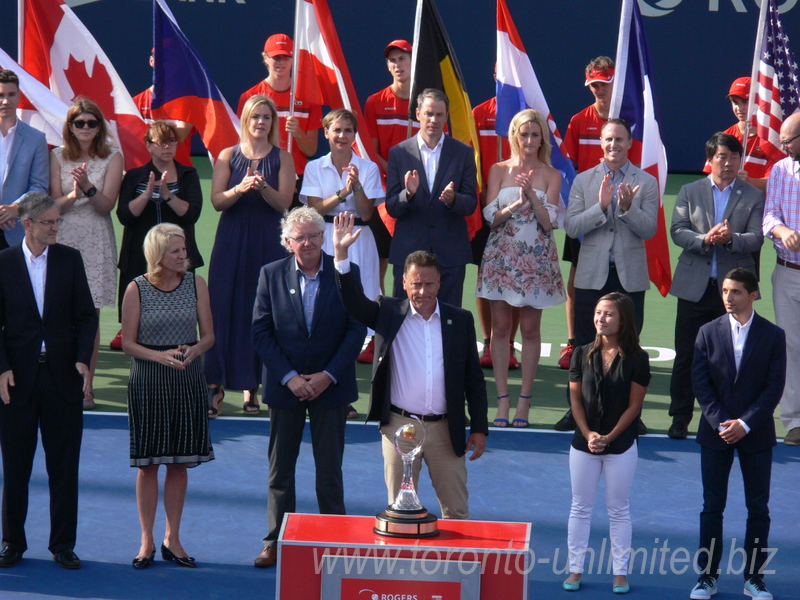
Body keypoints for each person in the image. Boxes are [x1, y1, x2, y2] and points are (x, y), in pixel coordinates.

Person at [333, 212, 488, 520]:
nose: (423, 291)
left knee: (456, 510)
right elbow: (353, 302)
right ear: (404, 282)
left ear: (440, 282)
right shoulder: (387, 312)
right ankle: (404, 567)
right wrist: (341, 256)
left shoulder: (460, 320)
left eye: (430, 283)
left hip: (446, 429)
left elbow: (474, 378)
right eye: (416, 283)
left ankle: (457, 568)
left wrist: (480, 428)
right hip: (398, 428)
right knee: (401, 512)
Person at [251, 207, 365, 568]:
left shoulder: (346, 272)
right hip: (287, 388)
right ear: (288, 243)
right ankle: (276, 541)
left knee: (329, 471)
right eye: (300, 237)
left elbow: (356, 330)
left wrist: (327, 375)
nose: (308, 242)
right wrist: (291, 377)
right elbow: (261, 332)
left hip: (331, 388)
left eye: (314, 235)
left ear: (323, 237)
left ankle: (336, 540)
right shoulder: (270, 275)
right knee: (279, 472)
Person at [0, 193, 98, 569]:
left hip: (62, 379)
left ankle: (62, 545)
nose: (56, 227)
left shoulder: (70, 260)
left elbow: (87, 318)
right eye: (49, 223)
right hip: (17, 381)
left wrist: (80, 360)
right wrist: (2, 367)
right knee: (16, 467)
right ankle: (12, 542)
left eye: (58, 222)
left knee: (63, 466)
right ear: (28, 225)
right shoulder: (4, 264)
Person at [121, 223, 214, 570]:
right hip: (148, 378)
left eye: (183, 248)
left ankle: (172, 539)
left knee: (178, 461)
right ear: (158, 255)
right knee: (148, 466)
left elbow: (208, 335)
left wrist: (194, 350)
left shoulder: (196, 283)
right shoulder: (137, 288)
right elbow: (128, 342)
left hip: (186, 377)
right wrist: (159, 356)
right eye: (176, 250)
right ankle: (146, 540)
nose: (183, 254)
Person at [689, 268, 785, 600]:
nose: (728, 297)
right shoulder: (706, 332)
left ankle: (755, 579)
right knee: (712, 506)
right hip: (716, 434)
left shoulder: (773, 335)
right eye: (726, 291)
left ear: (753, 295)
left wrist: (744, 424)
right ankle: (706, 577)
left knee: (758, 507)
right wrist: (721, 423)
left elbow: (774, 387)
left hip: (755, 434)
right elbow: (701, 384)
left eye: (736, 292)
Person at [557, 118, 657, 433]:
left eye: (619, 140)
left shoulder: (647, 182)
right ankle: (578, 413)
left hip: (629, 278)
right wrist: (600, 208)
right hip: (591, 277)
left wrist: (627, 208)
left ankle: (629, 416)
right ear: (601, 142)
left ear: (630, 143)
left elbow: (649, 229)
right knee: (586, 348)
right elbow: (571, 227)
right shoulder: (584, 181)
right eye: (608, 140)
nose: (613, 145)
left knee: (628, 348)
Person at [667, 133, 764, 440]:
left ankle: (723, 420)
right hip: (695, 285)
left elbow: (757, 237)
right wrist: (704, 239)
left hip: (733, 290)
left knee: (730, 357)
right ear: (710, 160)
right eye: (722, 157)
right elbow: (678, 230)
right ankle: (680, 417)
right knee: (686, 355)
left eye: (734, 157)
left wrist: (732, 239)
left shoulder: (752, 195)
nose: (728, 163)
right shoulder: (689, 190)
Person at [205, 95, 294, 415]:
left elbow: (284, 203)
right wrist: (241, 188)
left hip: (268, 242)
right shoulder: (227, 155)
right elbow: (217, 201)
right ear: (245, 120)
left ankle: (251, 388)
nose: (260, 122)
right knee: (222, 307)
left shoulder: (283, 158)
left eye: (266, 118)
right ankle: (213, 385)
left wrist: (262, 188)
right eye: (255, 117)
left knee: (261, 312)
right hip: (231, 241)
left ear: (273, 123)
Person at [476, 109, 565, 428]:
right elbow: (490, 218)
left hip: (536, 261)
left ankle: (524, 405)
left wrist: (532, 197)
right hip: (501, 258)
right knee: (499, 330)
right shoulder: (498, 169)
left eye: (535, 134)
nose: (529, 140)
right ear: (514, 136)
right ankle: (502, 403)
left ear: (543, 138)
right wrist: (514, 205)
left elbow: (550, 221)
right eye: (523, 134)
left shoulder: (552, 175)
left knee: (529, 330)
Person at [563, 293, 650, 594]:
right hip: (583, 444)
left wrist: (609, 437)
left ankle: (620, 573)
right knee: (580, 507)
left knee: (618, 509)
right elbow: (575, 398)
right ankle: (575, 570)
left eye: (609, 314)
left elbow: (634, 406)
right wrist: (588, 434)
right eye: (598, 313)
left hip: (621, 446)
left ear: (623, 319)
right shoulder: (581, 353)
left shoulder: (638, 359)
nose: (601, 318)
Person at [300, 108, 384, 416]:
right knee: (323, 312)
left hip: (359, 240)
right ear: (326, 133)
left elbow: (366, 213)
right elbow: (315, 209)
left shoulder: (368, 168)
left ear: (354, 135)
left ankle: (346, 393)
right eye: (337, 130)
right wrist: (343, 191)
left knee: (356, 312)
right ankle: (318, 387)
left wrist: (357, 187)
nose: (342, 136)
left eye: (348, 130)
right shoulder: (314, 168)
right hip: (323, 238)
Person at [49, 98, 123, 410]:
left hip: (96, 239)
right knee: (58, 314)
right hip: (63, 237)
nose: (86, 128)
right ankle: (58, 381)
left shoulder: (113, 157)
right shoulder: (56, 156)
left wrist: (89, 188)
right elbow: (52, 205)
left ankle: (86, 386)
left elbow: (107, 206)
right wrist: (73, 193)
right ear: (70, 126)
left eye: (91, 123)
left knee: (89, 315)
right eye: (80, 123)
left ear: (99, 127)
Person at [115, 121, 204, 366]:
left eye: (172, 142)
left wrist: (167, 195)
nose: (168, 147)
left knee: (179, 317)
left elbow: (191, 214)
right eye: (162, 143)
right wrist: (146, 194)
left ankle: (179, 362)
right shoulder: (134, 176)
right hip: (139, 258)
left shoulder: (188, 175)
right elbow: (125, 216)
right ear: (148, 146)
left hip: (177, 260)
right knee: (139, 321)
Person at [559, 57, 628, 371]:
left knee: (620, 278)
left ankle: (622, 343)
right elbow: (568, 170)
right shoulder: (578, 121)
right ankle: (574, 341)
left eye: (604, 83)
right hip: (588, 213)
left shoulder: (629, 120)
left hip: (623, 213)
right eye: (594, 85)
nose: (600, 90)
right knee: (577, 277)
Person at [385, 88, 478, 307]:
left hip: (450, 253)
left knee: (448, 319)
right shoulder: (399, 153)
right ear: (418, 114)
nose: (433, 119)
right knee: (402, 317)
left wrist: (453, 199)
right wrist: (408, 194)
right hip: (409, 251)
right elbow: (391, 206)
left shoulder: (463, 152)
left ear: (446, 116)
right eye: (428, 113)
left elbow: (471, 203)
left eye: (439, 114)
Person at [362, 39, 419, 358]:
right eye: (393, 60)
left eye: (403, 58)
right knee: (378, 268)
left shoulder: (424, 102)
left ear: (414, 62)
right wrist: (396, 174)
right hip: (383, 198)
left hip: (416, 200)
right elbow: (371, 151)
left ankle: (409, 329)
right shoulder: (374, 102)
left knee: (410, 269)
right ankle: (379, 331)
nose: (398, 64)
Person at [471, 75, 519, 371]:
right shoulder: (478, 114)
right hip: (485, 206)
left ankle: (509, 344)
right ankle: (489, 341)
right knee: (484, 275)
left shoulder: (527, 113)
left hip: (518, 207)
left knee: (514, 276)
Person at [237, 34, 321, 187]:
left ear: (294, 58)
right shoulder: (250, 97)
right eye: (276, 57)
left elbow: (311, 150)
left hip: (297, 175)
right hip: (259, 175)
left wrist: (299, 134)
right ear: (265, 58)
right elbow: (242, 142)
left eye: (286, 57)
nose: (281, 62)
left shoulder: (310, 98)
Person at [762, 111, 800, 446]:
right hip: (788, 272)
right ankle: (795, 422)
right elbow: (769, 214)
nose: (783, 146)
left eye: (788, 141)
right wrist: (782, 229)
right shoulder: (780, 170)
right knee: (790, 346)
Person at [0, 69, 48, 250]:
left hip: (17, 231)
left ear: (19, 96)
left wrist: (15, 208)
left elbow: (40, 187)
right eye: (1, 95)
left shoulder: (35, 138)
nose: (6, 101)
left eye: (11, 94)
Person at [132, 48, 195, 166]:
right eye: (160, 58)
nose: (165, 63)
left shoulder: (188, 101)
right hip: (144, 171)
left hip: (179, 172)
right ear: (151, 61)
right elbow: (132, 140)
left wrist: (151, 135)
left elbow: (179, 136)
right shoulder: (136, 102)